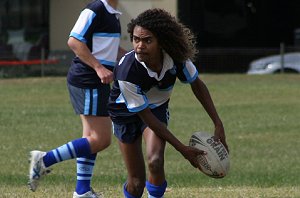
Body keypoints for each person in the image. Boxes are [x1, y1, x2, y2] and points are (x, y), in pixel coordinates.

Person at [108, 8, 229, 198]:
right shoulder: (126, 72)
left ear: (162, 42)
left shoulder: (176, 58)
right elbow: (145, 116)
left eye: (147, 40)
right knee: (137, 184)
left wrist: (218, 123)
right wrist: (182, 149)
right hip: (125, 114)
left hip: (155, 109)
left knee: (155, 161)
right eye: (136, 39)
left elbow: (197, 85)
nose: (139, 46)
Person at [28, 0, 126, 197]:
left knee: (90, 137)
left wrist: (137, 57)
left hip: (96, 81)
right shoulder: (95, 9)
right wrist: (99, 68)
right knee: (101, 139)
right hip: (88, 79)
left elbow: (112, 50)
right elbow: (74, 41)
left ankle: (82, 191)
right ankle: (45, 160)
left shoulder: (114, 14)